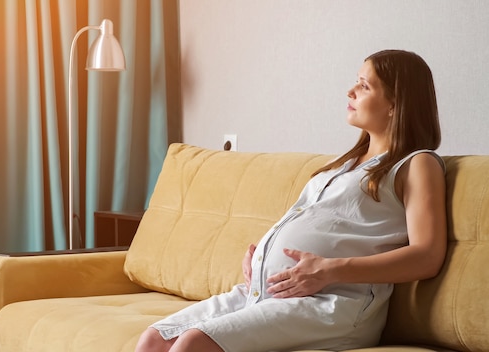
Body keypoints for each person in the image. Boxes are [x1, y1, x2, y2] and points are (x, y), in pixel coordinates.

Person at [135, 49, 447, 352]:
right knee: (154, 339)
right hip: (267, 291)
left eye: (364, 86)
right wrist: (261, 259)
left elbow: (427, 256)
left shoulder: (416, 164)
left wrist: (330, 269)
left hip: (331, 304)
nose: (350, 91)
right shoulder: (344, 163)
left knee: (193, 343)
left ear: (395, 103)